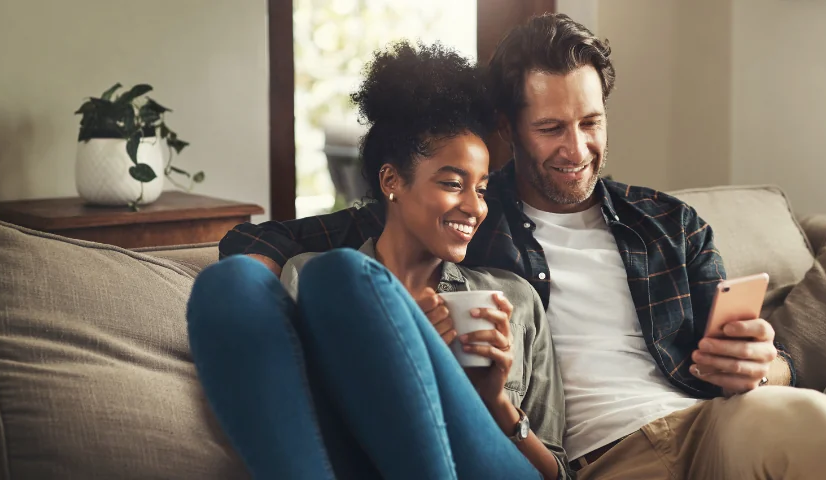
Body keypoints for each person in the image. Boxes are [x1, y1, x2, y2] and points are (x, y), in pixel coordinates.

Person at [220, 14, 826, 480]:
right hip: (599, 460)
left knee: (819, 423)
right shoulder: (465, 211)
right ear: (510, 129)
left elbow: (771, 364)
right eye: (550, 129)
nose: (576, 150)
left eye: (590, 122)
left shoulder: (669, 222)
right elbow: (262, 238)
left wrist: (763, 366)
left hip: (710, 428)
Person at [188, 41, 569, 480]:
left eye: (480, 189)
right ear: (391, 180)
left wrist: (493, 401)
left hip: (484, 465)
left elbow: (557, 473)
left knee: (341, 274)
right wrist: (401, 349)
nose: (475, 206)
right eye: (452, 183)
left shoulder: (514, 300)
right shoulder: (308, 277)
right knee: (231, 282)